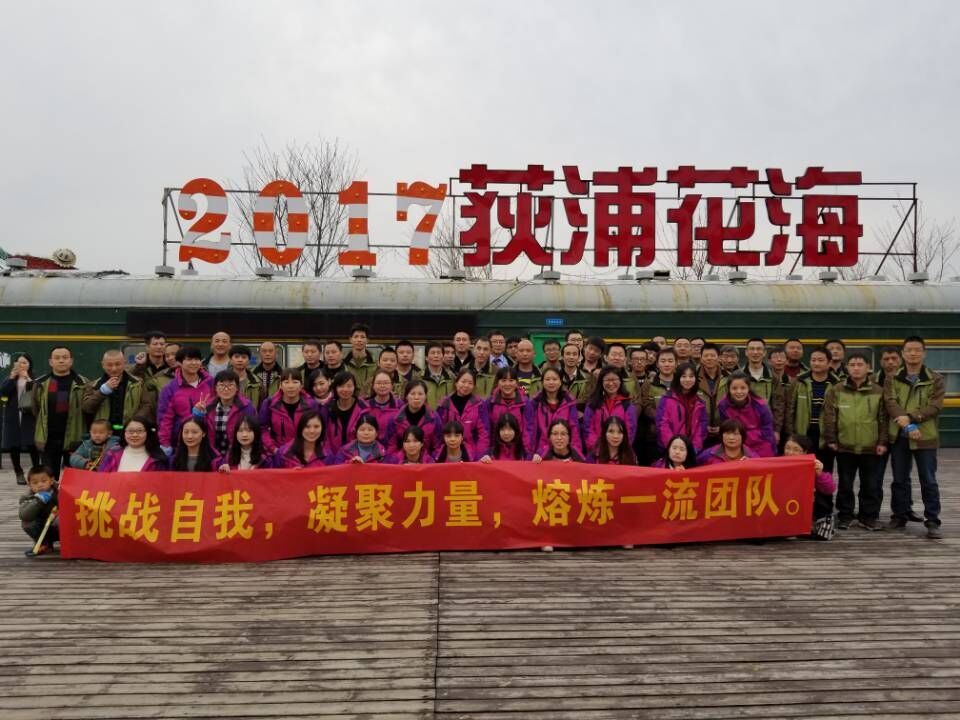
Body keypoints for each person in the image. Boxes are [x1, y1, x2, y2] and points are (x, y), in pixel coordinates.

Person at [885, 335, 945, 538]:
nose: (913, 353)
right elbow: (890, 403)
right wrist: (908, 425)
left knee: (928, 479)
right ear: (903, 354)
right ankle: (899, 516)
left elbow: (935, 406)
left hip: (925, 436)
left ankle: (933, 521)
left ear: (924, 353)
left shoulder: (935, 378)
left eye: (917, 350)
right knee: (899, 479)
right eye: (909, 350)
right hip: (899, 436)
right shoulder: (892, 378)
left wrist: (910, 419)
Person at [822, 352, 887, 531]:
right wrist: (831, 439)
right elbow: (829, 416)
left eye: (860, 364)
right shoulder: (837, 389)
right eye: (852, 365)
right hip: (845, 446)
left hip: (870, 446)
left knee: (871, 484)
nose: (856, 368)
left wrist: (882, 442)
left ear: (868, 368)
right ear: (847, 367)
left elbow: (883, 419)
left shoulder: (878, 391)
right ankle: (845, 515)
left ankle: (868, 517)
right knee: (845, 484)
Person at [32, 345, 88, 480]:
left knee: (75, 480)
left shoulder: (83, 383)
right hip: (49, 439)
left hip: (75, 439)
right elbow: (36, 409)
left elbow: (88, 410)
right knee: (49, 478)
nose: (61, 360)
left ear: (71, 361)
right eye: (57, 358)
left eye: (65, 357)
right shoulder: (40, 383)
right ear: (50, 362)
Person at [785, 347, 838, 472]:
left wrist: (834, 437)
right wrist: (791, 434)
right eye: (813, 360)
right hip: (803, 434)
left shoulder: (837, 384)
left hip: (825, 436)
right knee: (800, 472)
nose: (816, 363)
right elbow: (790, 409)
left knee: (824, 471)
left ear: (829, 363)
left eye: (820, 360)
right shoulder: (799, 382)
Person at [156, 346, 213, 455]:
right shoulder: (170, 389)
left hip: (209, 442)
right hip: (181, 443)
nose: (194, 363)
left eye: (197, 359)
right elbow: (164, 420)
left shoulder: (211, 383)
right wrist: (165, 444)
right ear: (179, 362)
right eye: (189, 359)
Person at [192, 370, 257, 460]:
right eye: (222, 385)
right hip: (212, 456)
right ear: (215, 388)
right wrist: (197, 414)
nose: (226, 389)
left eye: (230, 385)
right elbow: (199, 431)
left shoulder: (246, 407)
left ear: (237, 388)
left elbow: (254, 432)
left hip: (237, 456)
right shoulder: (208, 407)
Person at [783, 433, 837, 540]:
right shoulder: (777, 464)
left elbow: (830, 489)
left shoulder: (812, 465)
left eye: (796, 449)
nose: (790, 452)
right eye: (787, 448)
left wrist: (820, 474)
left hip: (805, 505)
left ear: (804, 452)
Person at [80, 349, 145, 437]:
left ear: (124, 363)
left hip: (130, 434)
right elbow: (87, 408)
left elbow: (145, 406)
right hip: (104, 436)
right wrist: (102, 392)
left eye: (118, 364)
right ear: (103, 365)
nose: (114, 368)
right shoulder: (94, 385)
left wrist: (135, 423)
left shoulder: (138, 384)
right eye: (109, 365)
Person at [525, 367, 582, 461]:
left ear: (560, 382)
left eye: (555, 379)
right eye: (547, 379)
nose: (551, 382)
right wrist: (530, 453)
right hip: (539, 453)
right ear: (542, 382)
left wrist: (575, 453)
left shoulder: (569, 402)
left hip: (563, 452)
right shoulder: (534, 403)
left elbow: (574, 429)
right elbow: (529, 430)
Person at [717, 371, 777, 457]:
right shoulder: (723, 405)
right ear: (729, 389)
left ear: (748, 388)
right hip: (736, 443)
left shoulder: (760, 405)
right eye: (734, 388)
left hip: (760, 443)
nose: (739, 392)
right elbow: (726, 429)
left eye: (743, 388)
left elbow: (768, 432)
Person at [435, 368, 490, 460]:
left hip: (472, 454)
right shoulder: (444, 404)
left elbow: (484, 434)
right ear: (456, 383)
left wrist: (479, 457)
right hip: (448, 453)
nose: (466, 385)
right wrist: (439, 454)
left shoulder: (479, 404)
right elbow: (438, 432)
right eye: (463, 381)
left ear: (474, 386)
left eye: (470, 383)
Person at [1, 353, 39, 484]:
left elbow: (37, 392)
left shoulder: (33, 378)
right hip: (13, 416)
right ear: (15, 364)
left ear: (29, 365)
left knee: (32, 444)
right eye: (19, 362)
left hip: (29, 415)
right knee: (14, 445)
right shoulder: (10, 378)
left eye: (25, 363)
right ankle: (18, 472)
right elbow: (3, 392)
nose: (22, 365)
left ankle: (36, 471)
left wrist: (27, 378)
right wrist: (12, 377)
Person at [655, 363, 708, 453]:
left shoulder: (699, 402)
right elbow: (662, 425)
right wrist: (673, 447)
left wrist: (694, 447)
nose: (688, 379)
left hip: (692, 450)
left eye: (691, 376)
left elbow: (702, 426)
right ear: (678, 378)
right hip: (670, 450)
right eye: (684, 376)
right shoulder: (667, 399)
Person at [583, 365, 637, 452]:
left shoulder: (627, 404)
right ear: (601, 382)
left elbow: (630, 432)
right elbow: (588, 430)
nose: (611, 383)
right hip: (597, 452)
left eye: (614, 379)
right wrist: (598, 449)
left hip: (620, 453)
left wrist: (617, 450)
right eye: (607, 380)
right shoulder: (592, 404)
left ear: (620, 381)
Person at [385, 380, 442, 456]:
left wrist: (429, 460)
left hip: (426, 461)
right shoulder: (395, 419)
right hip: (401, 461)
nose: (416, 397)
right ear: (406, 396)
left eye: (420, 394)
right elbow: (391, 447)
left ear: (425, 396)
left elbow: (438, 446)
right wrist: (398, 460)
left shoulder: (434, 418)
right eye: (412, 394)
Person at [484, 367, 529, 456]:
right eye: (503, 380)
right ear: (498, 382)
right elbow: (486, 430)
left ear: (516, 383)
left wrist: (528, 453)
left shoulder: (525, 403)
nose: (507, 384)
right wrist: (485, 453)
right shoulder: (490, 402)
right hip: (495, 451)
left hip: (518, 452)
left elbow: (528, 430)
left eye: (511, 380)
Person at [97, 416, 168, 472]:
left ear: (148, 433)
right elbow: (101, 478)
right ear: (124, 433)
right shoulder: (112, 453)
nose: (134, 435)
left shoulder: (157, 458)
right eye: (130, 431)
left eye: (139, 431)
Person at [325, 371, 367, 457]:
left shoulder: (363, 407)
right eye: (341, 386)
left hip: (356, 457)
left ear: (354, 387)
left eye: (349, 386)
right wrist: (330, 457)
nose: (345, 389)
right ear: (335, 388)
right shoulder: (328, 407)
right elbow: (324, 436)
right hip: (332, 457)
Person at [19, 465, 59, 557]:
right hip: (41, 528)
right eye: (35, 483)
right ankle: (44, 544)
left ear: (51, 480)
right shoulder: (27, 497)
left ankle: (68, 543)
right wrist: (38, 501)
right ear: (29, 485)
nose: (40, 485)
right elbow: (24, 515)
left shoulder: (59, 490)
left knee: (61, 519)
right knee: (26, 523)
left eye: (44, 481)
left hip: (57, 526)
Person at [696, 342, 726, 445]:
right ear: (701, 358)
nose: (709, 358)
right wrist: (703, 426)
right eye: (706, 356)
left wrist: (723, 426)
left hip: (723, 430)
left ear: (719, 357)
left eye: (713, 355)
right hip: (699, 431)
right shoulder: (693, 378)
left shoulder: (728, 378)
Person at [365, 370, 404, 444]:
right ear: (373, 385)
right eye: (378, 383)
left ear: (391, 385)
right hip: (371, 446)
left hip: (393, 446)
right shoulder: (365, 405)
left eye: (386, 383)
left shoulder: (400, 405)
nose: (382, 386)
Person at [345, 323, 377, 395]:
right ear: (350, 339)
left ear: (367, 340)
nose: (359, 340)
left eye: (362, 337)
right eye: (356, 337)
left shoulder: (376, 364)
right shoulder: (343, 363)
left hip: (369, 400)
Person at [421, 342, 454, 410]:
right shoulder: (419, 377)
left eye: (439, 353)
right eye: (433, 353)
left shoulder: (452, 378)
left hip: (446, 415)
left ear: (443, 356)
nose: (436, 356)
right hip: (426, 415)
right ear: (426, 357)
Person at [251, 341, 282, 407]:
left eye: (271, 351)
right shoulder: (251, 374)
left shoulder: (283, 374)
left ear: (276, 353)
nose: (267, 354)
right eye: (264, 351)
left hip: (277, 410)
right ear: (259, 354)